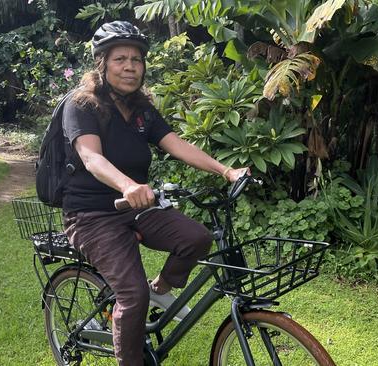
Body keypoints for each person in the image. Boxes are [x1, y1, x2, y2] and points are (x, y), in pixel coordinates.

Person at [61, 21, 247, 366]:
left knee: (196, 237)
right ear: (102, 64)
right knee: (132, 295)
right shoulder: (82, 104)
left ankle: (160, 288)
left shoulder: (142, 109)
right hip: (91, 215)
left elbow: (175, 143)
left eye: (136, 59)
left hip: (136, 206)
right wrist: (127, 185)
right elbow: (91, 156)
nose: (130, 66)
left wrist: (226, 170)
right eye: (120, 59)